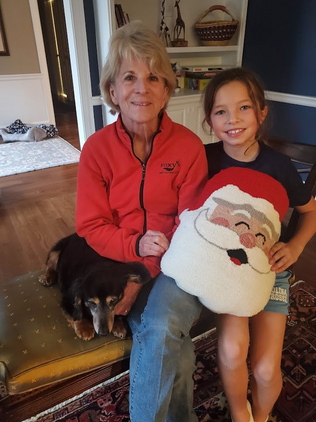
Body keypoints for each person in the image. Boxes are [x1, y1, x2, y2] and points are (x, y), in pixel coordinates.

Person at [75, 21, 208, 422]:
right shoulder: (96, 150)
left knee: (161, 324)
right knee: (175, 346)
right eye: (129, 77)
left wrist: (140, 276)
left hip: (179, 264)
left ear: (167, 88)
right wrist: (133, 255)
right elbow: (91, 225)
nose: (141, 88)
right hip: (120, 262)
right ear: (112, 91)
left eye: (153, 77)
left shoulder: (188, 147)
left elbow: (191, 227)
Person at [202, 67, 316, 422]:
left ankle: (261, 416)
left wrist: (296, 246)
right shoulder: (203, 160)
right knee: (234, 349)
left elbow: (310, 212)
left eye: (244, 108)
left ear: (262, 111)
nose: (232, 119)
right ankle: (240, 415)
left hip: (271, 273)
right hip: (226, 270)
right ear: (208, 120)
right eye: (221, 111)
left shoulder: (280, 166)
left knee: (266, 371)